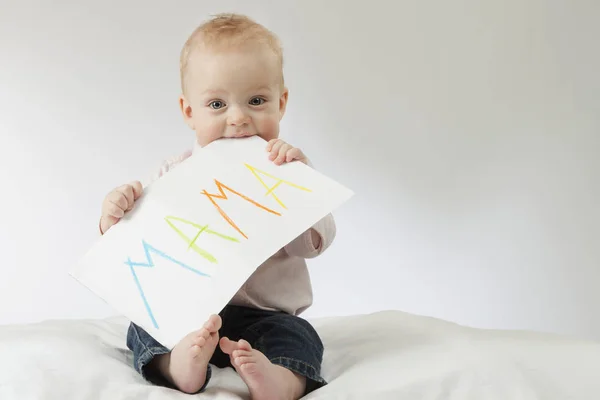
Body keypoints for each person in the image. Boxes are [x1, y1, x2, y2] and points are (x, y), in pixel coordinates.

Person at [98, 13, 336, 400]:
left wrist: (299, 186)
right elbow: (137, 244)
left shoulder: (285, 169)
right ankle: (177, 365)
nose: (239, 119)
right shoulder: (172, 173)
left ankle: (281, 381)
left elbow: (312, 244)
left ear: (282, 102)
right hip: (187, 313)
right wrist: (114, 216)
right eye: (217, 104)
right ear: (190, 112)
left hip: (266, 317)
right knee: (140, 329)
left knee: (300, 337)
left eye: (257, 100)